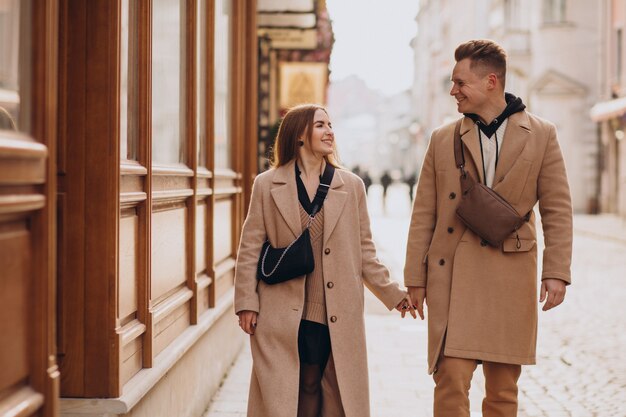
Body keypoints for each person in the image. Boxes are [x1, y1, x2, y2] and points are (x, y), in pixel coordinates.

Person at [404, 39, 573, 417]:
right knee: (449, 380)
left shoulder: (542, 134)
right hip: (452, 275)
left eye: (460, 83)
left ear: (491, 82)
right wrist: (415, 277)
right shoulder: (442, 139)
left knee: (502, 391)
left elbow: (558, 208)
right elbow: (424, 214)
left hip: (509, 272)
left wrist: (557, 272)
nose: (453, 91)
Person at [234, 103, 416, 417]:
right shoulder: (267, 184)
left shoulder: (351, 185)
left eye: (330, 125)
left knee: (321, 387)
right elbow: (250, 248)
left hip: (334, 310)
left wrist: (394, 295)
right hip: (280, 310)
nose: (330, 131)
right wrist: (246, 302)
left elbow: (365, 252)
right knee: (290, 390)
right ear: (299, 135)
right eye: (320, 125)